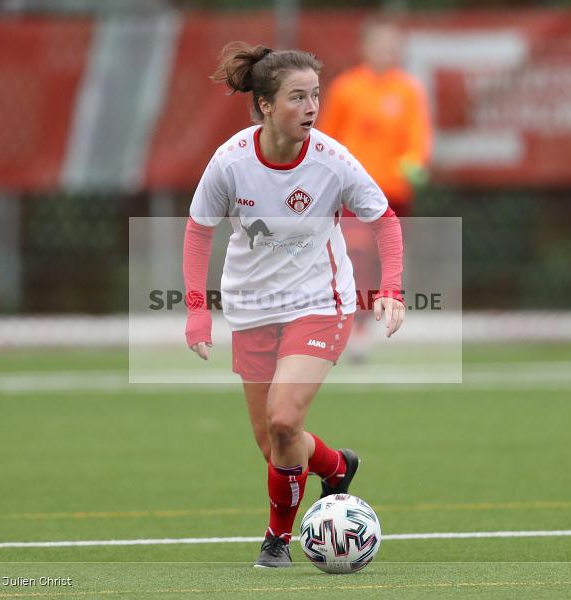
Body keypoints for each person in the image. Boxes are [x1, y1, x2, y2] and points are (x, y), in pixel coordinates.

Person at [182, 41, 405, 568]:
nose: (311, 108)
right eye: (298, 98)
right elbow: (197, 232)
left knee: (285, 422)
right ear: (265, 106)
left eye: (316, 96)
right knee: (274, 445)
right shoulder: (231, 161)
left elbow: (385, 220)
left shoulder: (331, 160)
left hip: (319, 304)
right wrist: (197, 309)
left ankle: (277, 541)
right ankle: (334, 465)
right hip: (252, 309)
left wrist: (391, 289)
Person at [316, 17, 431, 361]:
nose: (386, 51)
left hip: (393, 193)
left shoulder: (408, 90)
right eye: (379, 44)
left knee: (385, 261)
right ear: (364, 48)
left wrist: (413, 163)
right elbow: (327, 138)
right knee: (356, 254)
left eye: (392, 44)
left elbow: (418, 139)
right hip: (353, 191)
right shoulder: (346, 88)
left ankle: (375, 318)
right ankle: (356, 326)